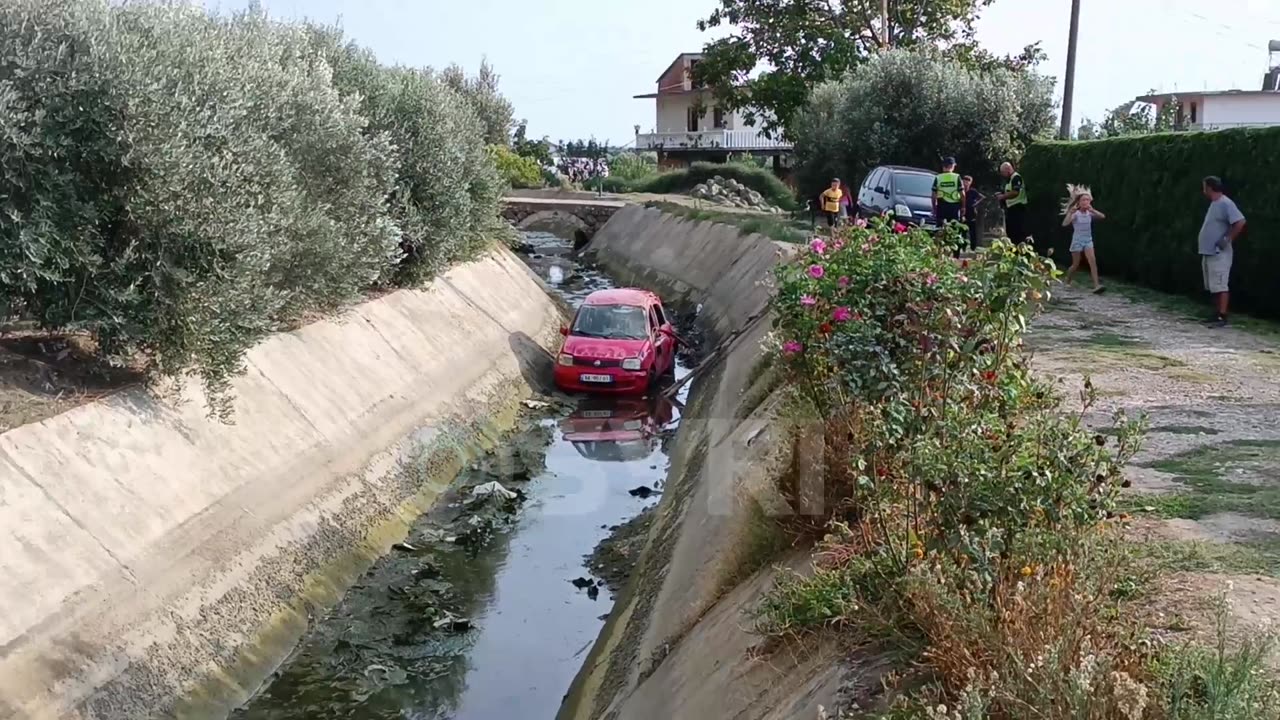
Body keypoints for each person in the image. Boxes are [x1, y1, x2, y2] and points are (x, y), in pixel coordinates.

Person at [1198, 176, 1246, 328]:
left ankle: (1222, 315)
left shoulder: (1225, 203)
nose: (1203, 190)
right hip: (1209, 251)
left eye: (1204, 187)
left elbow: (1240, 221)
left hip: (1219, 253)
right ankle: (1215, 312)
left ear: (1210, 188)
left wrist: (1227, 239)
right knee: (1213, 285)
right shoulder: (1215, 204)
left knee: (1220, 284)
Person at [1060, 185, 1106, 293]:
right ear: (1079, 203)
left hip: (1088, 240)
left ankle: (1096, 285)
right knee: (1076, 264)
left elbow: (1103, 216)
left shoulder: (1090, 213)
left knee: (1092, 262)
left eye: (1088, 200)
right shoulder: (1076, 214)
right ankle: (1067, 280)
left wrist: (1093, 210)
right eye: (1084, 200)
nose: (1086, 202)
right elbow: (1065, 224)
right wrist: (1070, 213)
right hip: (1077, 241)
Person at [997, 161, 1029, 243]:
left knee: (1018, 234)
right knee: (1011, 233)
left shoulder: (1016, 177)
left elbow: (1015, 192)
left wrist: (1003, 196)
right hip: (1011, 209)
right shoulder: (1009, 180)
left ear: (1008, 170)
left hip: (1018, 209)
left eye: (1003, 172)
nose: (1002, 174)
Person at [932, 157, 964, 228]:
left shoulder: (938, 178)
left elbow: (933, 195)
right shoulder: (957, 177)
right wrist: (963, 207)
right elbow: (962, 194)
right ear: (952, 166)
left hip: (941, 206)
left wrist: (934, 208)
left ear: (943, 166)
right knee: (954, 228)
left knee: (939, 229)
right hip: (954, 207)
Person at [962, 175, 983, 251]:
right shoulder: (961, 191)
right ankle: (963, 246)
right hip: (963, 212)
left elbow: (982, 197)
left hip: (971, 212)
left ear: (970, 183)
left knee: (972, 231)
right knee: (963, 231)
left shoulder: (973, 191)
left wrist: (975, 204)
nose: (966, 183)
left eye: (968, 181)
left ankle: (973, 247)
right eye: (964, 181)